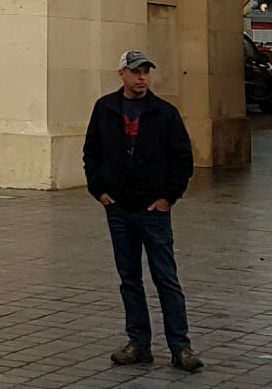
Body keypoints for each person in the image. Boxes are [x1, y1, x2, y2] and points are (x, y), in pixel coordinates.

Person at [82, 48, 202, 373]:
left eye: (146, 72)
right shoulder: (105, 108)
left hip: (154, 211)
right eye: (136, 72)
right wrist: (99, 189)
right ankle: (139, 343)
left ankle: (181, 346)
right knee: (130, 279)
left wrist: (168, 198)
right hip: (119, 210)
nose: (142, 78)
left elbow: (182, 159)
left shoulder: (164, 113)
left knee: (166, 278)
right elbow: (91, 151)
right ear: (122, 74)